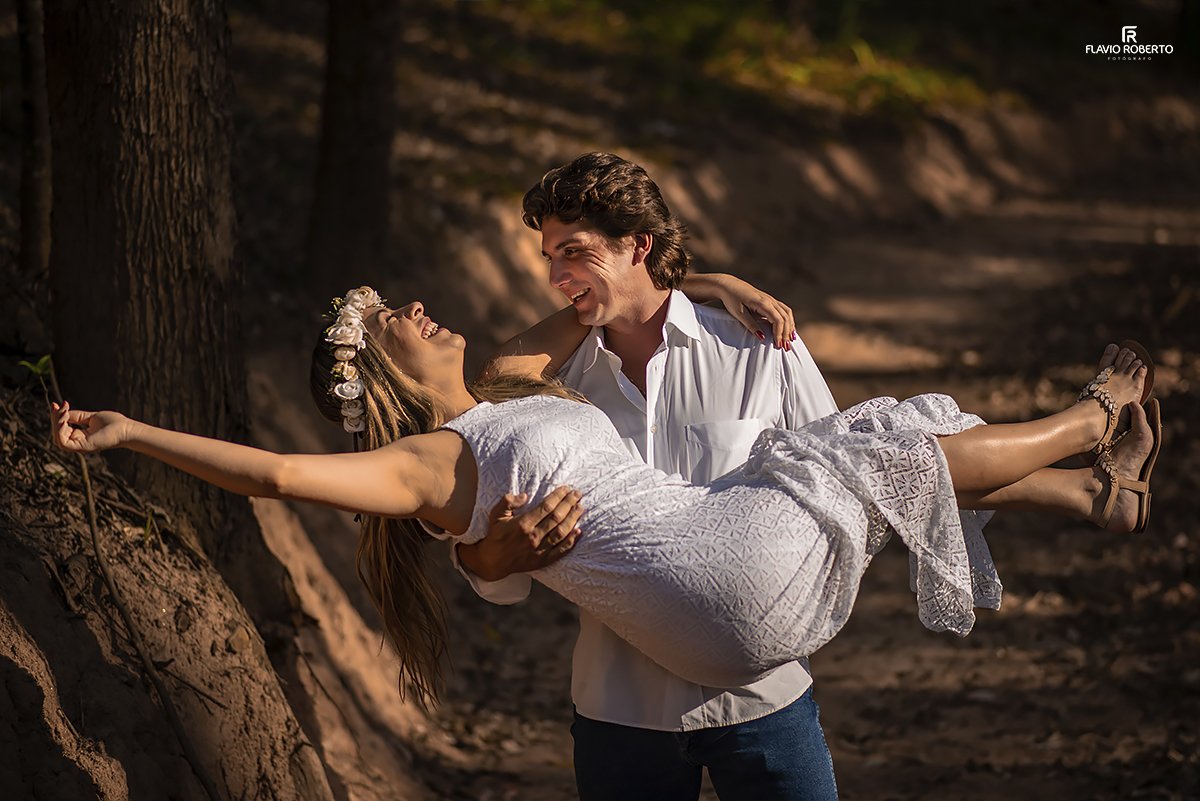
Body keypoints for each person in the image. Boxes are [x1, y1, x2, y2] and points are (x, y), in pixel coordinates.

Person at [52, 289, 1160, 732]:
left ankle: (1090, 493)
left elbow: (608, 300)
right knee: (877, 441)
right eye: (394, 317)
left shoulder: (503, 388)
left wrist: (710, 288)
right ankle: (1088, 416)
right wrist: (133, 433)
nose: (418, 308)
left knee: (875, 468)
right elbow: (280, 478)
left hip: (729, 596)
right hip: (719, 581)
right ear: (379, 378)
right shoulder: (424, 463)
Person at [458, 151, 845, 800]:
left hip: (765, 697)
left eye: (573, 253)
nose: (556, 276)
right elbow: (496, 542)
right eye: (549, 257)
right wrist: (485, 561)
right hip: (620, 711)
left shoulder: (757, 346)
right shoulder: (549, 396)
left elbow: (841, 480)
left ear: (638, 244)